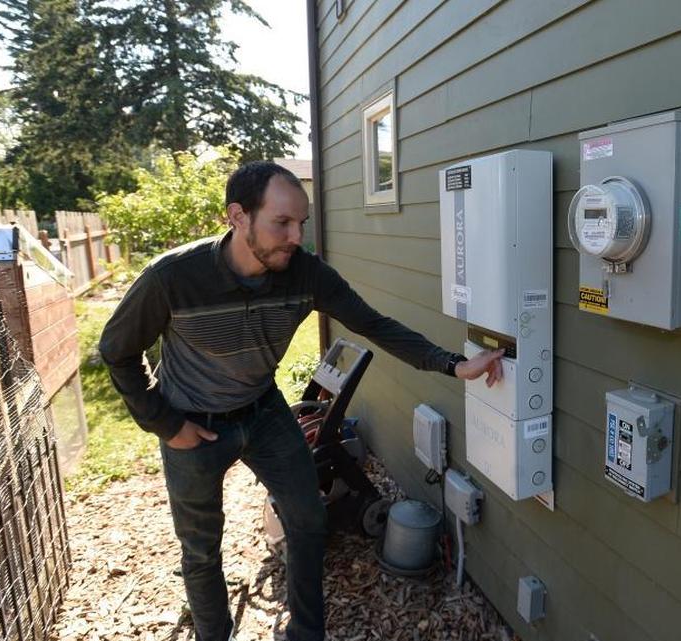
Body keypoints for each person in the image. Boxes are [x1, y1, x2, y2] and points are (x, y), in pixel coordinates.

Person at [99, 161, 503, 641]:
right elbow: (117, 350)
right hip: (192, 424)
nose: (296, 237)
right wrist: (165, 424)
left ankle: (306, 634)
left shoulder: (305, 274)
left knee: (309, 518)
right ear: (238, 216)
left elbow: (373, 324)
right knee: (201, 549)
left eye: (302, 223)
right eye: (282, 223)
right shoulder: (173, 277)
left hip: (263, 411)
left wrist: (453, 364)